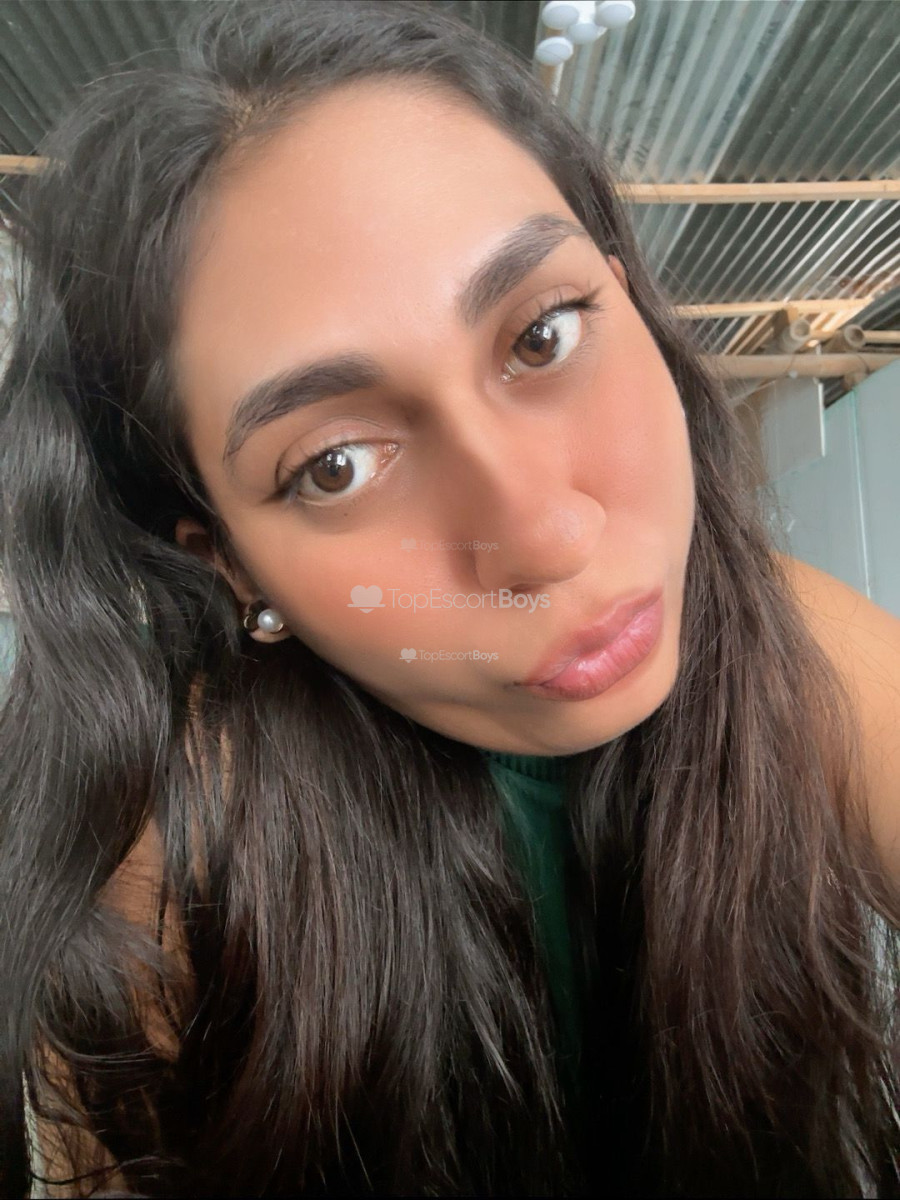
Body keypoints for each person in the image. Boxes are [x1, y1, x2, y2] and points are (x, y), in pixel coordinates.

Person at [0, 1, 897, 1196]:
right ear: (233, 564)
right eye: (335, 466)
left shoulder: (797, 650)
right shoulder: (169, 860)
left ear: (625, 294)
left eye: (544, 335)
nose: (544, 538)